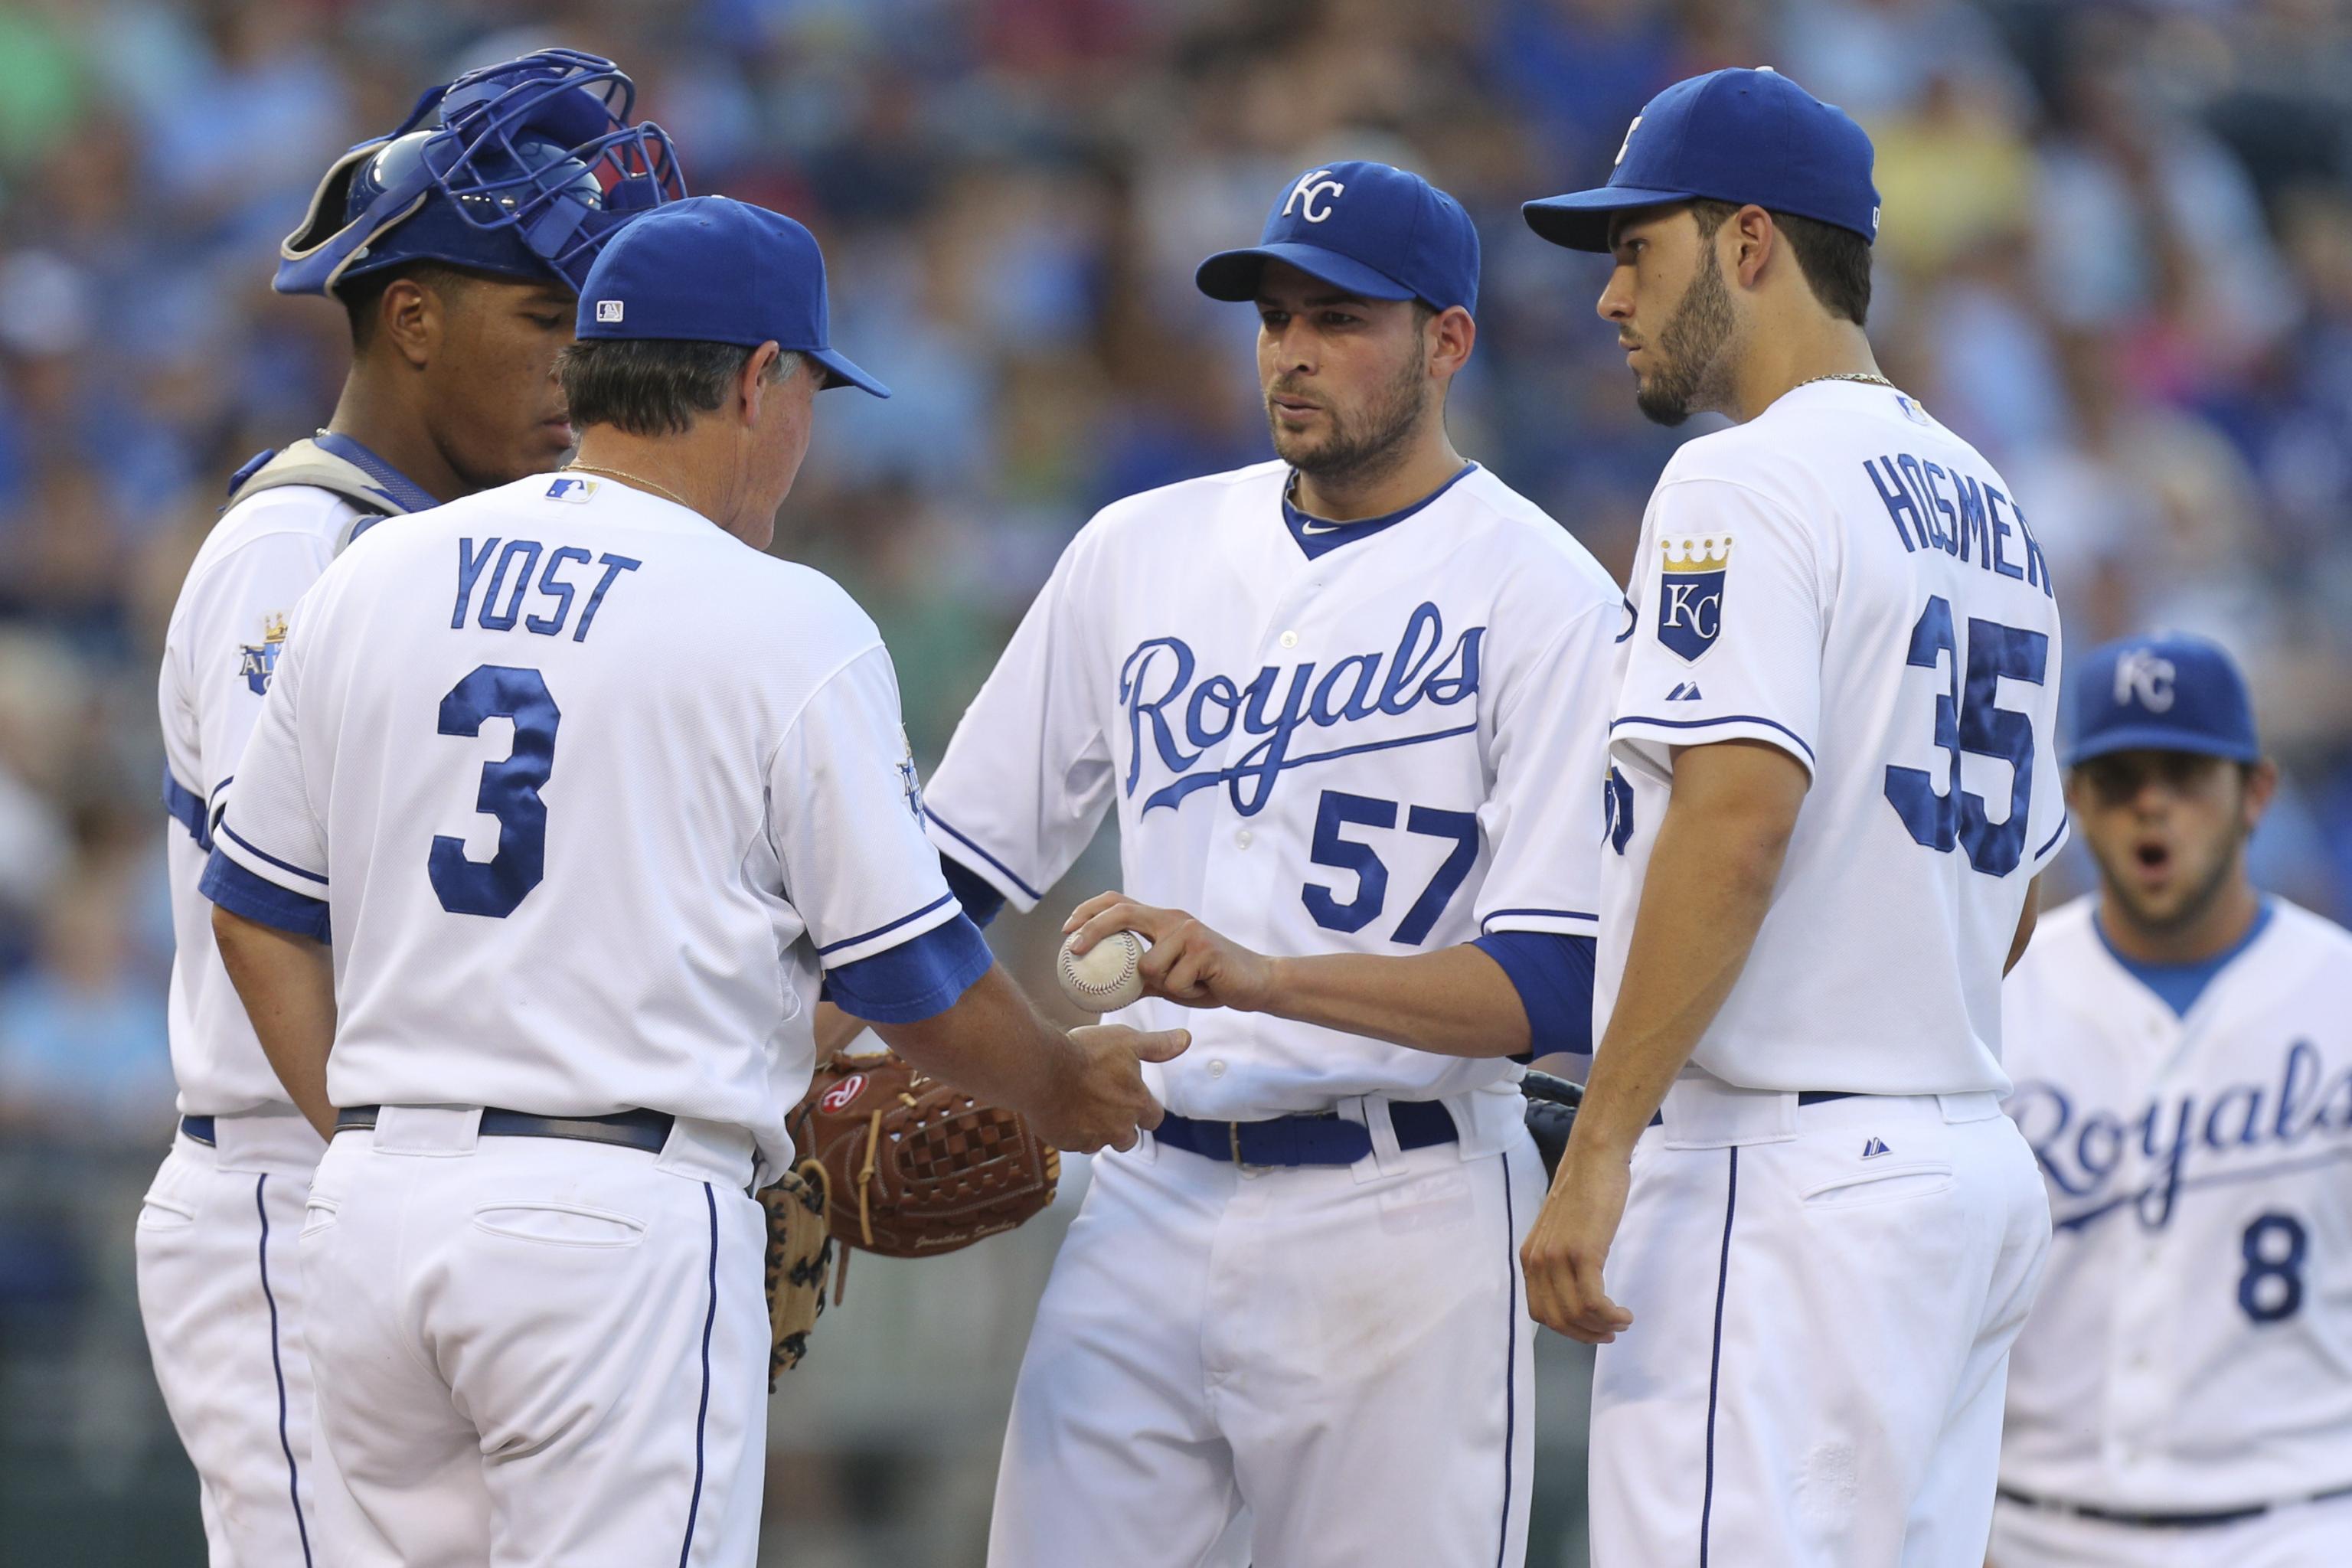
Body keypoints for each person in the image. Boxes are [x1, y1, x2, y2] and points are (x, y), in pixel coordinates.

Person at [200, 194, 1184, 1568]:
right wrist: (1061, 1088)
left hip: (367, 1220)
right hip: (612, 1223)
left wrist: (363, 1135)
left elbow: (251, 907)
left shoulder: (376, 576)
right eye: (808, 394)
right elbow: (915, 980)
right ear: (757, 377)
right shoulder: (783, 618)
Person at [923, 160, 1622, 1566]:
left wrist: (1266, 979)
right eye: (1274, 314)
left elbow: (1550, 985)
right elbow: (952, 865)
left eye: (1340, 318)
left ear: (1445, 340)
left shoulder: (1543, 595)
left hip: (1400, 1208)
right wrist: (803, 1045)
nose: (1293, 350)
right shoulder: (1140, 546)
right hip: (1143, 1188)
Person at [139, 47, 684, 1566]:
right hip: (297, 1174)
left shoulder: (468, 550)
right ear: (415, 315)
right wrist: (398, 1186)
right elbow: (284, 914)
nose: (582, 368)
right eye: (545, 320)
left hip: (415, 1187)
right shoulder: (295, 548)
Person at [1519, 68, 2064, 1565]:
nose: (1610, 296)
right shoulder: (1991, 503)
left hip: (1785, 1184)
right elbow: (2010, 900)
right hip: (1954, 1175)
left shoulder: (1742, 476)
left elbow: (1737, 822)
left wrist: (1608, 1138)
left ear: (1748, 241)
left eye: (1640, 249)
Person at [1994, 633, 2352, 1566]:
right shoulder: (1995, 1001)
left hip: (2299, 1525)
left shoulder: (2340, 997)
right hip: (2029, 1526)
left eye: (2186, 773)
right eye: (2119, 777)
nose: (2152, 803)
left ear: (2256, 794)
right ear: (2075, 799)